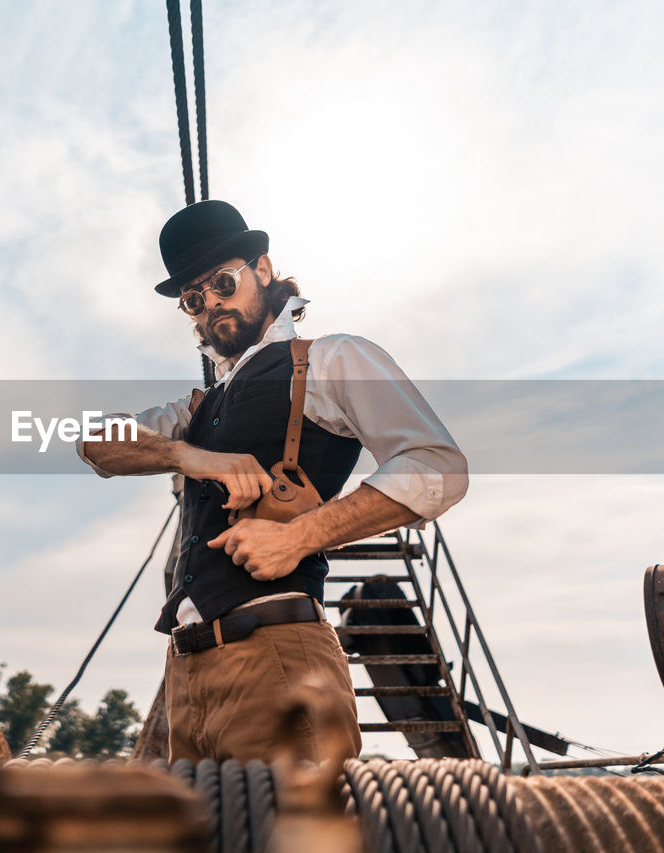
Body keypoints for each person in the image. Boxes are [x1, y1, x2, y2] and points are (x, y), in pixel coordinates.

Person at [78, 200, 468, 763]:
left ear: (262, 270)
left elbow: (437, 466)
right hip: (185, 674)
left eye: (222, 282)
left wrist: (299, 536)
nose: (211, 303)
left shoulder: (331, 358)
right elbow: (94, 445)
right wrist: (189, 456)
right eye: (194, 298)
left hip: (277, 658)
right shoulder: (198, 406)